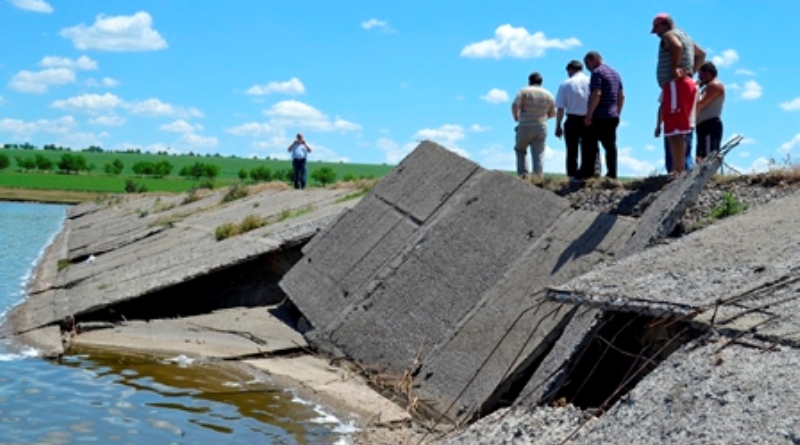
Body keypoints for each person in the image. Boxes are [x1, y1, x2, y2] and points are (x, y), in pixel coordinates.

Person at [652, 13, 706, 175]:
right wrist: (691, 72)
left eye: (657, 29)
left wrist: (675, 68)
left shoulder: (670, 35)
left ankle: (678, 170)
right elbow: (701, 54)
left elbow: (676, 47)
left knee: (675, 130)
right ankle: (678, 168)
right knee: (679, 128)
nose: (657, 34)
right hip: (684, 84)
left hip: (675, 85)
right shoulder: (686, 36)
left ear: (664, 25)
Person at [581, 51, 624, 180]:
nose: (587, 67)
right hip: (612, 115)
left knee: (590, 145)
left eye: (587, 63)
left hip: (599, 116)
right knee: (610, 146)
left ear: (593, 59)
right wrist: (617, 112)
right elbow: (621, 95)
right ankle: (612, 173)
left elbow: (597, 93)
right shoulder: (615, 74)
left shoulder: (597, 73)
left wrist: (589, 114)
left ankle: (588, 174)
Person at [512, 71, 556, 180]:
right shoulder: (548, 94)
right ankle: (537, 178)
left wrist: (516, 117)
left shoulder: (524, 91)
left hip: (525, 124)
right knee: (538, 154)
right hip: (541, 125)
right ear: (541, 82)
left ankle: (523, 176)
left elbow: (515, 105)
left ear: (529, 81)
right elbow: (552, 113)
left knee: (520, 149)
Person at [554, 60, 590, 181]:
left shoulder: (565, 84)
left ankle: (572, 175)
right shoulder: (591, 81)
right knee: (588, 148)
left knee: (571, 149)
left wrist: (558, 125)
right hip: (588, 117)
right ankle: (587, 173)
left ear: (570, 70)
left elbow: (560, 108)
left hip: (573, 118)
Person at [655, 94, 694, 173]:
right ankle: (675, 176)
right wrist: (658, 125)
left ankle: (685, 175)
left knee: (683, 155)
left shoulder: (688, 85)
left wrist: (658, 125)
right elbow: (662, 107)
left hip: (683, 124)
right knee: (672, 156)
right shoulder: (667, 88)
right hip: (673, 124)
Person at [695, 61, 725, 163]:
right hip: (703, 125)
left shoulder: (714, 86)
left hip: (710, 124)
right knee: (701, 156)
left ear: (707, 72)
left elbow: (701, 103)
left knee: (708, 158)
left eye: (701, 74)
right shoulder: (706, 88)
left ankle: (710, 177)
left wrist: (694, 90)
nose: (699, 77)